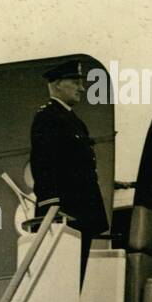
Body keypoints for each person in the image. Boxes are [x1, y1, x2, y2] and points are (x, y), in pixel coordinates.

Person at [30, 59, 108, 285]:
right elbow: (43, 166)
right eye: (75, 82)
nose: (82, 88)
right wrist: (52, 208)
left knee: (74, 282)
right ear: (55, 84)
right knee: (62, 281)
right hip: (65, 213)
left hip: (82, 213)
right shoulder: (47, 118)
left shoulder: (75, 122)